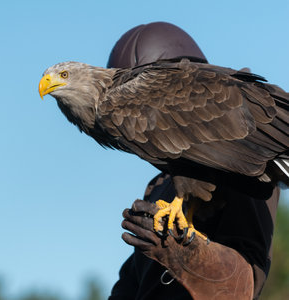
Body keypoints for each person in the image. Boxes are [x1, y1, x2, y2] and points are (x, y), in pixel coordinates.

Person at [107, 22, 279, 300]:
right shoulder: (160, 184)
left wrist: (191, 259)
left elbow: (246, 283)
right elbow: (132, 282)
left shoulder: (240, 154)